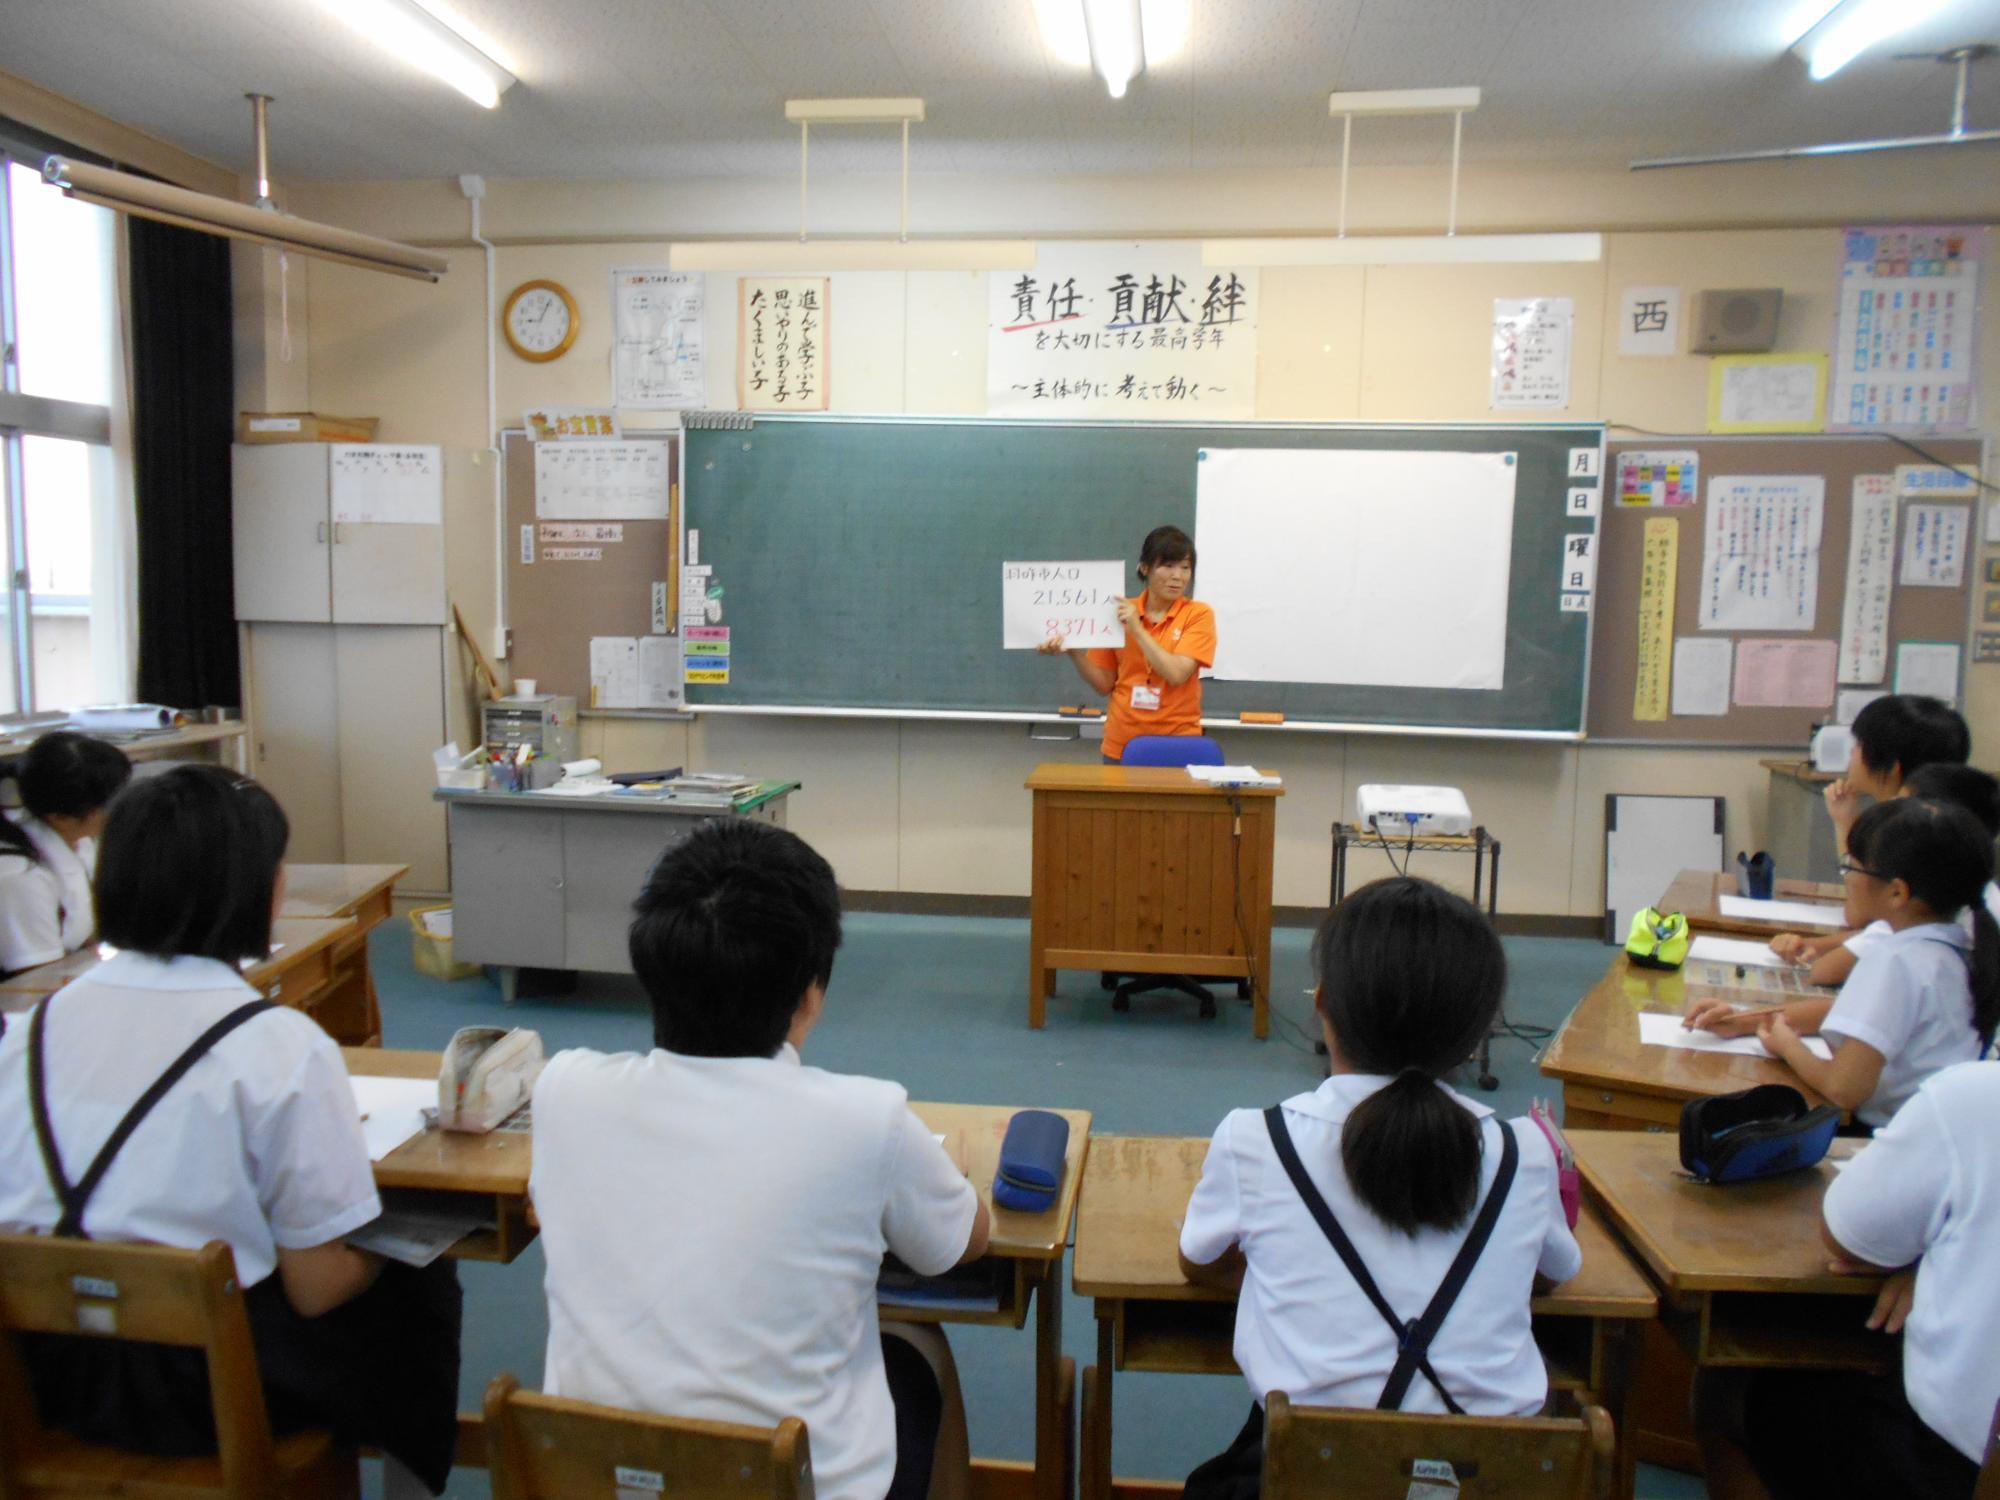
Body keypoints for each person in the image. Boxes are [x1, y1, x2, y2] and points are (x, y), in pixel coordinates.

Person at [0, 765, 461, 1496]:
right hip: (201, 1395)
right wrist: (408, 1238)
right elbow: (317, 1289)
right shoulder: (274, 1044)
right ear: (258, 887)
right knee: (418, 1277)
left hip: (42, 1372)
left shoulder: (29, 1029)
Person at [531, 819, 991, 1500]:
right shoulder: (868, 1121)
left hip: (594, 1482)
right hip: (793, 1485)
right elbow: (961, 1245)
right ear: (811, 993)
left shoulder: (562, 1089)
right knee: (919, 1343)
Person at [1175, 877, 1580, 1500]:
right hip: (1495, 1483)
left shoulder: (1257, 1139)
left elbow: (1199, 1263)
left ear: (1325, 1005)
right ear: (1479, 1029)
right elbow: (1550, 1276)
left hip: (1307, 1475)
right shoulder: (1525, 1151)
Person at [1697, 1060, 2000, 1500]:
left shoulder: (1973, 1098)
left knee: (1726, 1391)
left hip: (1947, 1466)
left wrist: (1926, 1252)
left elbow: (1848, 1239)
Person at [1747, 798, 1997, 1129]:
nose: (1847, 878)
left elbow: (1844, 1089)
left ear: (1897, 893)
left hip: (1885, 1136)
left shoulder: (1894, 960)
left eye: (1853, 867)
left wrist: (1787, 1046)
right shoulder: (1962, 949)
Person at [1762, 763, 2000, 989]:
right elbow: (1869, 932)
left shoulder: (1921, 911)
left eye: (1903, 810)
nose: (1890, 818)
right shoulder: (1964, 894)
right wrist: (1812, 945)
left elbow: (1826, 969)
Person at [1038, 524, 1216, 764]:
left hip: (1179, 744)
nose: (1178, 576)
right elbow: (1103, 684)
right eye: (1168, 566)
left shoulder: (1198, 615)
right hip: (1121, 744)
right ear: (1145, 568)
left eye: (1185, 568)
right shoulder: (1117, 612)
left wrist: (1137, 628)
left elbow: (1177, 674)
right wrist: (1073, 651)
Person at [0, 731, 132, 974]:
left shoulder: (79, 840)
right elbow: (35, 980)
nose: (124, 806)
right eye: (112, 801)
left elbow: (86, 932)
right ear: (60, 817)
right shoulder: (20, 876)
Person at [1818, 694, 1968, 855]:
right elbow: (1856, 876)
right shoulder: (1938, 820)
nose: (1852, 751)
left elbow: (1862, 880)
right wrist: (1844, 820)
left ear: (1891, 766)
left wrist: (1845, 824)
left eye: (1859, 744)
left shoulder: (1909, 833)